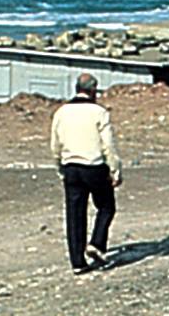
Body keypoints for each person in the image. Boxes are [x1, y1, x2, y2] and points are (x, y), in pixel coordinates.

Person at [49, 70, 121, 272]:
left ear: (77, 89)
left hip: (71, 167)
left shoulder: (61, 112)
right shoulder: (99, 113)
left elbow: (55, 145)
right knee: (106, 206)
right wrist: (115, 170)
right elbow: (108, 145)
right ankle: (97, 243)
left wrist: (60, 168)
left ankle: (77, 262)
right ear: (93, 91)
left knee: (75, 214)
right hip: (94, 166)